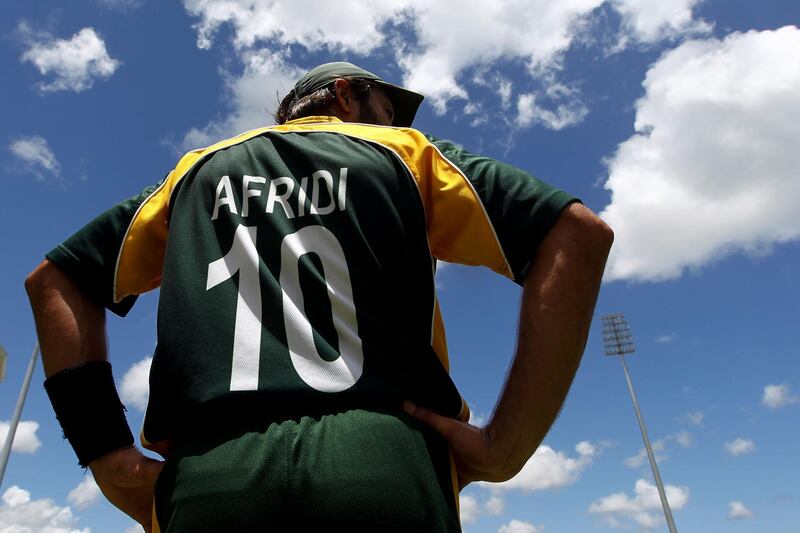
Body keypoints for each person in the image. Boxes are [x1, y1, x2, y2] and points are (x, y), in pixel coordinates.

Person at [25, 62, 613, 532]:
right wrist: (505, 447)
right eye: (383, 110)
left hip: (209, 475)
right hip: (383, 460)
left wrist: (104, 450)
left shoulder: (195, 172)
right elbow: (577, 233)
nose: (389, 123)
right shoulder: (405, 153)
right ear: (343, 96)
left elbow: (56, 278)